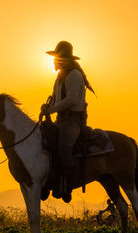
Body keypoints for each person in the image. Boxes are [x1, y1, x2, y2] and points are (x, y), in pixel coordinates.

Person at [40, 41, 95, 203]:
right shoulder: (59, 77)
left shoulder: (74, 75)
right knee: (45, 141)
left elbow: (70, 100)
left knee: (64, 147)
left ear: (63, 59)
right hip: (60, 120)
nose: (53, 61)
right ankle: (50, 182)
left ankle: (68, 185)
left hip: (73, 120)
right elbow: (55, 98)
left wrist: (51, 109)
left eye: (56, 58)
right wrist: (47, 107)